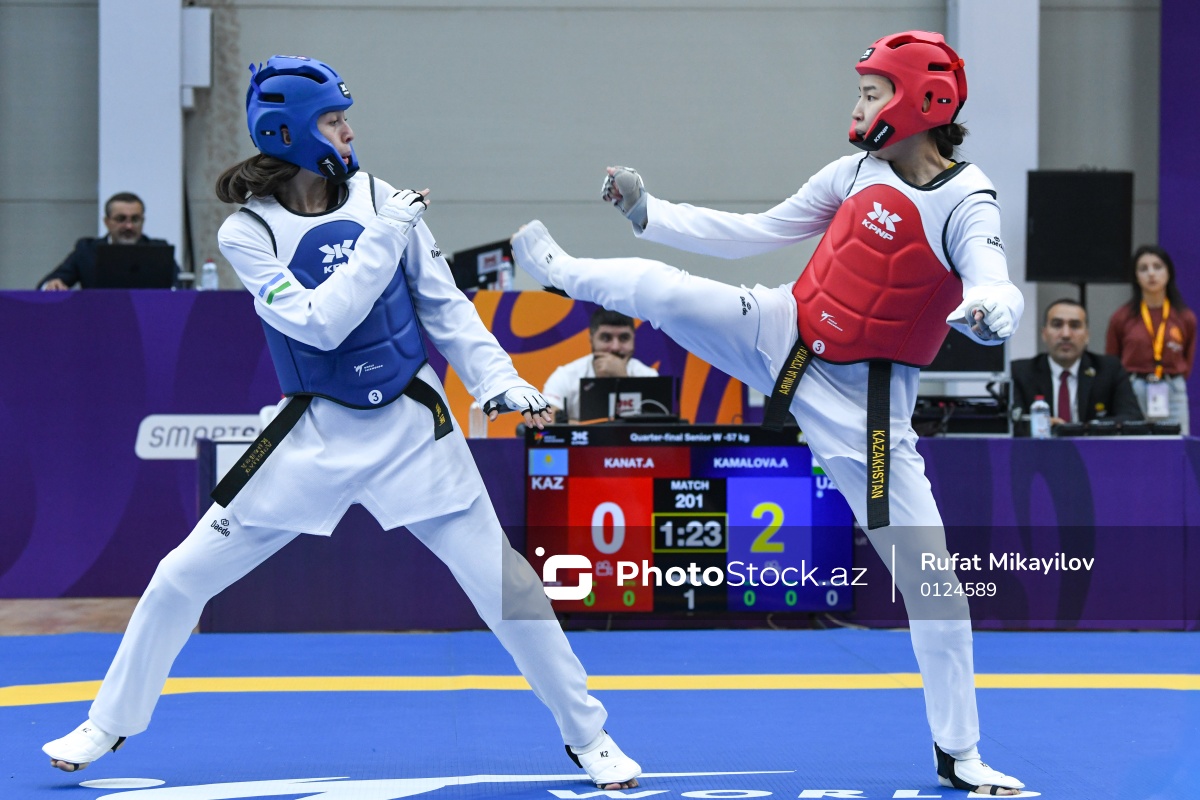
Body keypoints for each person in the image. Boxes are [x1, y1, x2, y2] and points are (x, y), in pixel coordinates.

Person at [40, 55, 641, 791]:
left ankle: (590, 737)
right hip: (311, 433)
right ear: (289, 132)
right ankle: (108, 723)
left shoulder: (384, 199)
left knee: (510, 589)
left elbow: (445, 309)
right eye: (333, 120)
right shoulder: (248, 233)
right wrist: (384, 234)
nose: (349, 132)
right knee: (178, 578)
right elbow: (321, 326)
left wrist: (500, 381)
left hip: (412, 428)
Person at [512, 31, 1025, 796]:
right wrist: (650, 211)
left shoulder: (967, 200)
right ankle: (560, 272)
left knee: (935, 588)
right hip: (784, 331)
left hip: (866, 408)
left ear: (924, 100)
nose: (858, 106)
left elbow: (992, 276)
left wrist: (992, 308)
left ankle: (960, 754)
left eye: (872, 92)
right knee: (663, 289)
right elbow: (755, 232)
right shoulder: (853, 172)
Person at [1011, 298, 1142, 429]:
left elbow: (1132, 418)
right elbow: (1011, 421)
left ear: (1087, 335)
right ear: (1044, 334)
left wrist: (1083, 429)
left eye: (1074, 326)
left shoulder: (1109, 370)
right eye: (1057, 325)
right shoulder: (1020, 373)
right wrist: (1038, 424)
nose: (1066, 334)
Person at [1106, 245, 1195, 434]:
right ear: (1136, 276)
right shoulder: (1121, 317)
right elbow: (1112, 361)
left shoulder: (1185, 317)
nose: (1151, 274)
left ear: (1169, 272)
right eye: (1143, 268)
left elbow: (1188, 358)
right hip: (1133, 388)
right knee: (1134, 444)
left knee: (1177, 445)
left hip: (1172, 387)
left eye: (1157, 266)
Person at [38, 192, 178, 290]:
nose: (128, 226)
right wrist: (52, 284)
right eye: (121, 219)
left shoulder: (158, 250)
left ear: (143, 221)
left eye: (135, 219)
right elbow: (46, 284)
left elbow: (179, 286)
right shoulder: (87, 250)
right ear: (107, 222)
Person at [543, 308, 659, 421]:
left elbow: (659, 425)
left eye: (624, 338)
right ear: (591, 339)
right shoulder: (565, 376)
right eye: (606, 338)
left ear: (633, 339)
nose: (615, 347)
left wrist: (622, 380)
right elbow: (544, 419)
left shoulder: (649, 377)